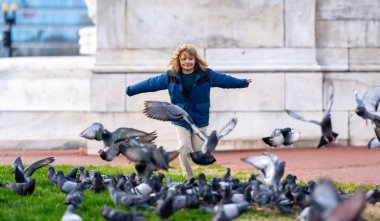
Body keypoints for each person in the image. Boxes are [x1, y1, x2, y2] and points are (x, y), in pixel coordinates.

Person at [126, 43, 252, 178]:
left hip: (200, 118)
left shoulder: (206, 75)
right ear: (179, 61)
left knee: (199, 150)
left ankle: (199, 170)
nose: (187, 62)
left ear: (195, 60)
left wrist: (243, 82)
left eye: (190, 58)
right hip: (180, 118)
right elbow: (151, 83)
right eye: (184, 59)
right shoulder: (171, 76)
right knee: (184, 147)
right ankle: (190, 179)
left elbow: (226, 80)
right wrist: (131, 89)